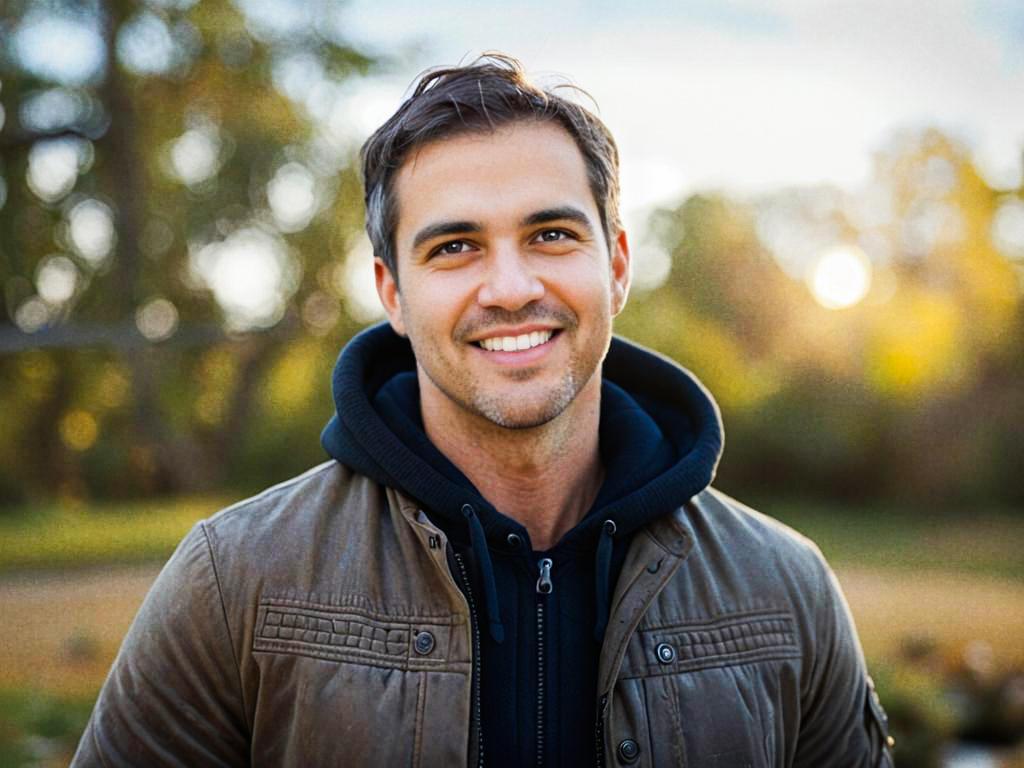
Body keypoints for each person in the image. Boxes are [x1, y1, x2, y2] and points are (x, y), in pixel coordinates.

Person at [72, 54, 893, 767]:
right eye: (455, 246)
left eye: (551, 235)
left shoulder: (786, 591)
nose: (509, 288)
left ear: (616, 265)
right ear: (392, 291)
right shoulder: (234, 582)